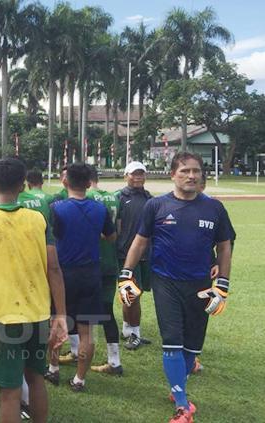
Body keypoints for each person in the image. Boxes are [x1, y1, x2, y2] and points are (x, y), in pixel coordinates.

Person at [119, 152, 233, 423]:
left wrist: (223, 285)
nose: (191, 175)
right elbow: (140, 241)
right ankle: (183, 405)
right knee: (172, 341)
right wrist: (126, 275)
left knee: (192, 347)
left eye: (196, 171)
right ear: (173, 175)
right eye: (184, 171)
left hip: (200, 286)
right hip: (165, 282)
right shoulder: (156, 206)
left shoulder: (214, 208)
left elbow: (225, 245)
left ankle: (177, 385)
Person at [0, 157, 68, 423]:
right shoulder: (38, 219)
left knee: (9, 392)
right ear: (23, 185)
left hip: (3, 317)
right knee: (36, 380)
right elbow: (54, 268)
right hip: (38, 313)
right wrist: (60, 315)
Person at [46, 163, 116, 392]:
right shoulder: (100, 209)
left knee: (56, 321)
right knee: (87, 330)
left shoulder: (56, 208)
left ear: (65, 181)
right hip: (90, 274)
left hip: (63, 273)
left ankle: (53, 368)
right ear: (89, 183)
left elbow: (51, 238)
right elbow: (111, 236)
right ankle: (79, 379)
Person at [86, 166, 124, 376]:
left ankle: (79, 355)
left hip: (92, 262)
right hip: (110, 261)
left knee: (85, 314)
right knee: (107, 311)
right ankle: (114, 361)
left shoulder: (87, 198)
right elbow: (116, 231)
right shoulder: (113, 197)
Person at [116, 161, 154, 350]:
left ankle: (128, 330)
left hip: (146, 255)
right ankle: (134, 334)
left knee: (135, 295)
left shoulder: (150, 199)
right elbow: (116, 226)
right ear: (126, 176)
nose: (138, 177)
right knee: (131, 295)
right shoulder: (120, 197)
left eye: (141, 174)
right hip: (125, 255)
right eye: (134, 174)